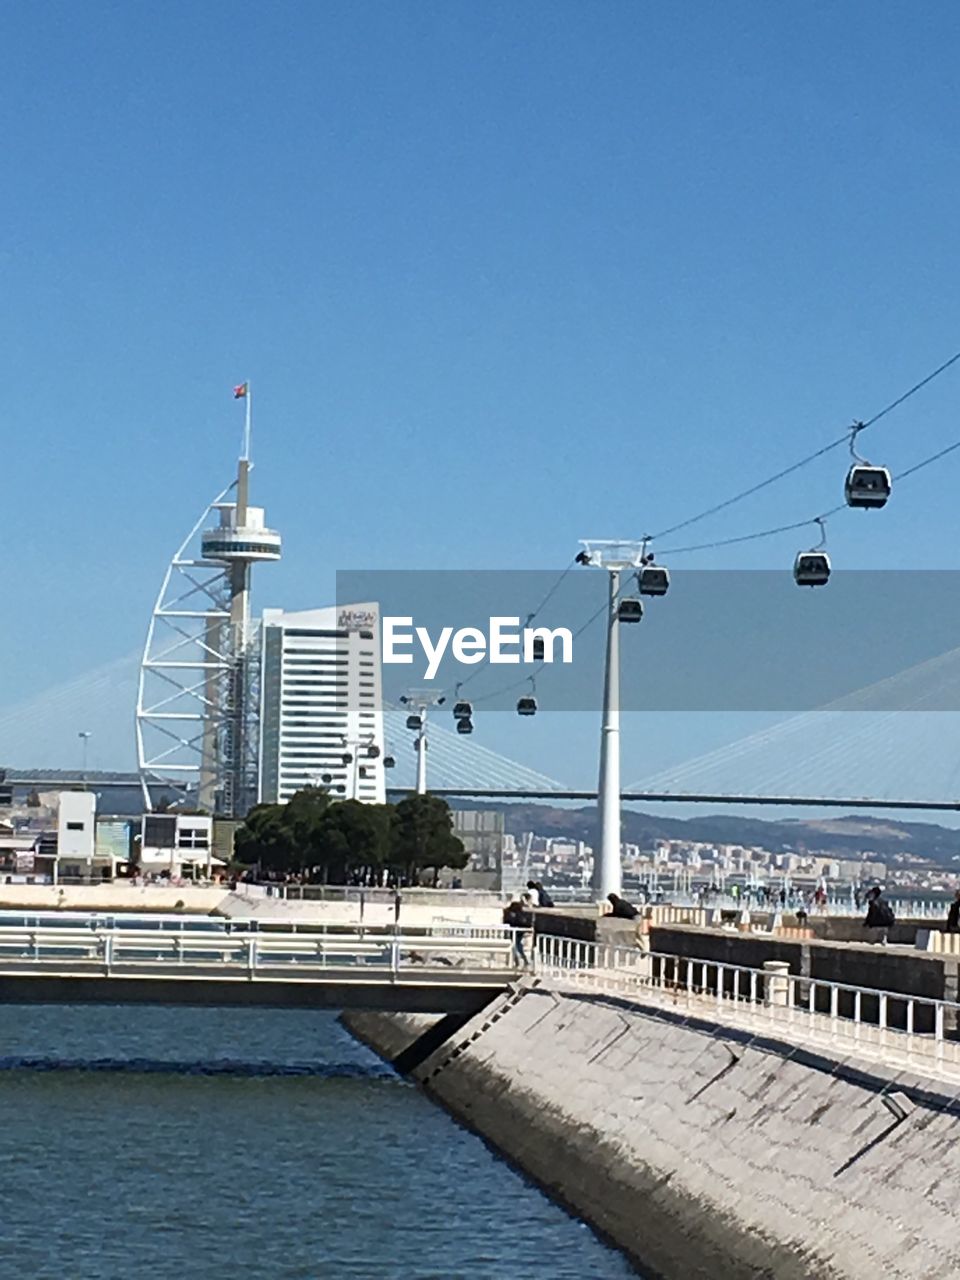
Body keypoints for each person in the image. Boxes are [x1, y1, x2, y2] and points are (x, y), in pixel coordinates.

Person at [503, 896, 534, 968]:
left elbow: (507, 922)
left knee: (516, 945)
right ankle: (522, 960)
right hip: (519, 931)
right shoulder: (520, 912)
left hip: (513, 931)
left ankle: (518, 961)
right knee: (517, 945)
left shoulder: (508, 912)